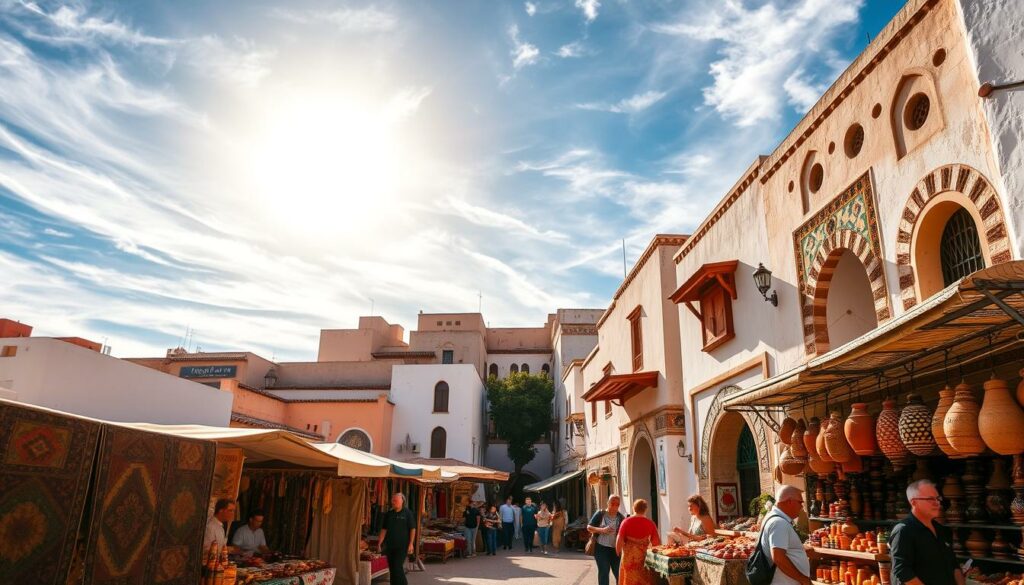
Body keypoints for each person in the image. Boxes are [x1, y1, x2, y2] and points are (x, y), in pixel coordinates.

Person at [889, 479, 962, 585]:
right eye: (930, 499)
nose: (937, 503)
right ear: (914, 502)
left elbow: (953, 564)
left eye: (938, 498)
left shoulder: (941, 530)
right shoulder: (903, 530)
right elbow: (902, 571)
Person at [761, 485, 811, 585]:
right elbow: (778, 557)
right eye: (800, 502)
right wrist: (803, 579)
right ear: (789, 501)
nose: (802, 506)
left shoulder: (775, 519)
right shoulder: (778, 523)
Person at [616, 499, 662, 585]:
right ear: (645, 509)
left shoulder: (626, 522)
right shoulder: (650, 523)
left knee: (629, 579)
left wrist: (618, 551)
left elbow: (620, 539)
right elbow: (656, 543)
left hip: (629, 557)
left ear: (634, 508)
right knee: (643, 580)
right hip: (643, 557)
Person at [379, 493, 417, 585]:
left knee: (397, 567)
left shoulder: (407, 513)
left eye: (395, 500)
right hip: (389, 546)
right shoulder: (389, 514)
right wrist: (379, 543)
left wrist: (411, 543)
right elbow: (384, 529)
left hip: (402, 546)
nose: (393, 502)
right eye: (392, 500)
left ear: (402, 501)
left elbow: (412, 529)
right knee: (392, 568)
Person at [588, 494, 625, 585]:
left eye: (617, 504)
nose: (615, 506)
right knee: (604, 573)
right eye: (612, 503)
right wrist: (602, 530)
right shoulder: (600, 514)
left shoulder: (621, 518)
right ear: (608, 503)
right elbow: (589, 527)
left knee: (618, 574)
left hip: (615, 550)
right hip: (601, 548)